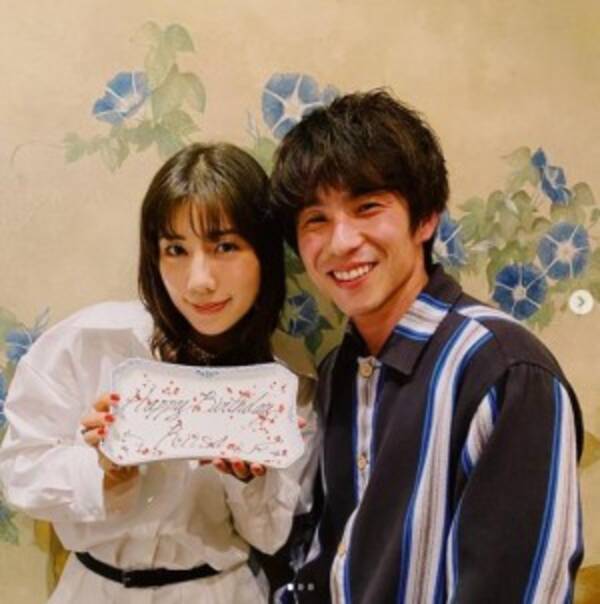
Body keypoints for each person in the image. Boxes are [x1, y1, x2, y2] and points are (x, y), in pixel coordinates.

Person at [269, 90, 584, 603]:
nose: (341, 242)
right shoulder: (335, 373)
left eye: (367, 207)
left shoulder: (504, 370)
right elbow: (328, 560)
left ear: (426, 218)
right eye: (316, 220)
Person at [0, 142, 315, 603]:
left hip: (218, 592)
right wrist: (102, 471)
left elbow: (269, 536)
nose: (199, 281)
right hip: (92, 589)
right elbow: (19, 474)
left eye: (225, 246)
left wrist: (249, 480)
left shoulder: (287, 379)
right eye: (175, 249)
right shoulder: (89, 343)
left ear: (265, 254)